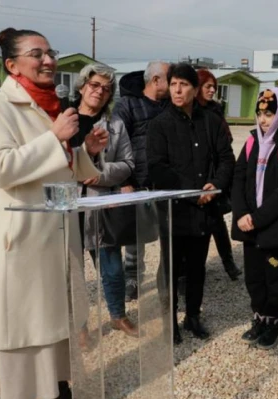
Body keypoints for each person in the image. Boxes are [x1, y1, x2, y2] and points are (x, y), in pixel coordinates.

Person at [0, 27, 108, 399]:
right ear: (12, 65)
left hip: (54, 239)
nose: (49, 60)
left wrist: (85, 153)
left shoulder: (52, 107)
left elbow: (61, 170)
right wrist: (55, 138)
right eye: (37, 54)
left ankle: (54, 388)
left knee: (50, 327)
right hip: (20, 242)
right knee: (20, 329)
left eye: (50, 52)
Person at [147, 62, 234, 344]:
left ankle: (193, 316)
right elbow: (158, 167)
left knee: (198, 266)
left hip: (205, 208)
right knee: (172, 269)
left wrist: (215, 185)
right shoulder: (159, 125)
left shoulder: (211, 122)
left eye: (183, 84)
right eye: (173, 84)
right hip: (175, 210)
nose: (177, 90)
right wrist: (191, 191)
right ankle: (169, 321)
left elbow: (226, 158)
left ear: (195, 89)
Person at [231, 88, 278, 350]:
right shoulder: (251, 142)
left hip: (273, 227)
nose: (263, 120)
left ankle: (273, 319)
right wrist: (240, 214)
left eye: (270, 114)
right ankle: (258, 316)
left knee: (274, 274)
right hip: (249, 226)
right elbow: (238, 177)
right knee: (253, 276)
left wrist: (258, 218)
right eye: (260, 114)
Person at [72, 63, 138, 337]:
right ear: (82, 86)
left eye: (106, 88)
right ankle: (80, 326)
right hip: (69, 206)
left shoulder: (115, 125)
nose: (99, 91)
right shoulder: (64, 119)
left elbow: (128, 163)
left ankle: (117, 315)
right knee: (72, 273)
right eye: (95, 85)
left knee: (111, 267)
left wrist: (99, 173)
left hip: (101, 205)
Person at [112, 60, 170, 302]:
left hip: (166, 183)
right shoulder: (127, 104)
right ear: (156, 80)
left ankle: (168, 281)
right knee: (136, 236)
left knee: (169, 234)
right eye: (170, 77)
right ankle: (133, 278)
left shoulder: (170, 106)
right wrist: (125, 180)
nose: (175, 83)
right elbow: (115, 144)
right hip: (137, 182)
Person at [196, 68, 242, 280]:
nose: (213, 90)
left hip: (214, 173)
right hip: (195, 172)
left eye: (214, 87)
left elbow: (227, 139)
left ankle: (228, 262)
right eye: (208, 86)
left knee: (216, 221)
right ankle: (192, 269)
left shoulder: (215, 110)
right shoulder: (190, 110)